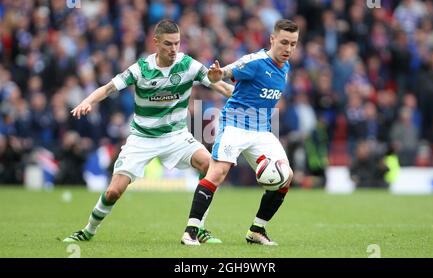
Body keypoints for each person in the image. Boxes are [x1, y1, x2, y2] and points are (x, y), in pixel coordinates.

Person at [63, 19, 233, 244]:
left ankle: (198, 228)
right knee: (114, 191)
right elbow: (108, 88)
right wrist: (88, 101)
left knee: (208, 165)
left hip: (176, 136)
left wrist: (248, 98)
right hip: (142, 138)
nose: (174, 50)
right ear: (155, 42)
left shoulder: (188, 65)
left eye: (177, 44)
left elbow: (220, 86)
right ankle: (88, 230)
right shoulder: (141, 69)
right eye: (168, 44)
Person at [180, 19, 298, 246]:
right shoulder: (255, 61)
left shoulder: (286, 67)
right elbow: (225, 72)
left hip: (262, 130)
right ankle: (191, 231)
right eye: (284, 42)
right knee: (217, 173)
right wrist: (217, 74)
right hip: (235, 124)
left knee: (287, 176)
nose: (288, 49)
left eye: (293, 44)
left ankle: (257, 230)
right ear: (272, 39)